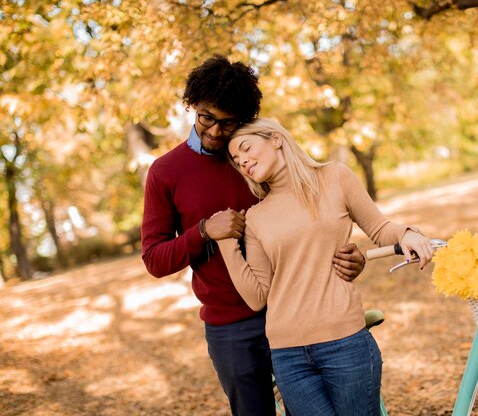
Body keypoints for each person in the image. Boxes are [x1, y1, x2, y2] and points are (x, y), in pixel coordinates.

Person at [141, 56, 366, 416]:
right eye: (206, 118)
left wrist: (354, 258)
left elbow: (311, 220)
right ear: (191, 107)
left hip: (297, 316)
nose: (214, 131)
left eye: (227, 123)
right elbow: (154, 258)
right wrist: (202, 232)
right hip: (230, 328)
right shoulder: (165, 172)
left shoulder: (257, 159)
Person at [216, 117, 435, 416]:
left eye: (245, 148)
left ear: (276, 139)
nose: (243, 161)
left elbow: (380, 228)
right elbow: (257, 296)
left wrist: (407, 233)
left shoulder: (335, 177)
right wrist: (226, 242)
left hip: (345, 344)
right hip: (287, 355)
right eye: (236, 159)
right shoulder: (256, 217)